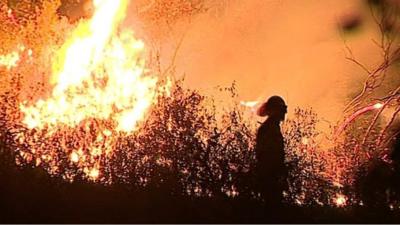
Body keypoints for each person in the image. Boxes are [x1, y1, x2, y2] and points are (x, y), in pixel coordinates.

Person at [254, 95, 288, 206]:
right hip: (269, 176)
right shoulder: (268, 129)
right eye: (282, 110)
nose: (284, 113)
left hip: (272, 175)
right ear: (274, 110)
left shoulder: (272, 127)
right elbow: (266, 154)